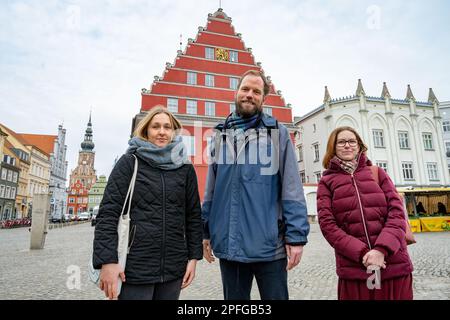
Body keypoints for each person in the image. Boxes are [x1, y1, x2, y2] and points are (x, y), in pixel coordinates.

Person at [202, 70, 310, 300]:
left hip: (269, 246)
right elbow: (211, 190)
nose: (249, 95)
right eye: (245, 89)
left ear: (263, 99)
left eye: (256, 91)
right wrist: (206, 230)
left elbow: (291, 187)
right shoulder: (220, 136)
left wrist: (297, 236)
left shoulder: (277, 133)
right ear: (237, 92)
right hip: (230, 245)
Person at [92, 106, 203, 300]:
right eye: (156, 126)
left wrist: (193, 258)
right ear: (146, 130)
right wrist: (107, 261)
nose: (162, 131)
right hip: (133, 269)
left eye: (167, 127)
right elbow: (108, 213)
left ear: (173, 132)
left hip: (173, 269)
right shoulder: (129, 162)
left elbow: (193, 216)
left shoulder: (185, 168)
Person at [317, 126, 414, 300]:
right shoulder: (326, 182)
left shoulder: (377, 173)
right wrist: (363, 254)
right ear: (333, 147)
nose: (347, 145)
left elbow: (397, 213)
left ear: (359, 145)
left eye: (352, 141)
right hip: (356, 268)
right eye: (341, 142)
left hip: (392, 265)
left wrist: (381, 250)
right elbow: (328, 225)